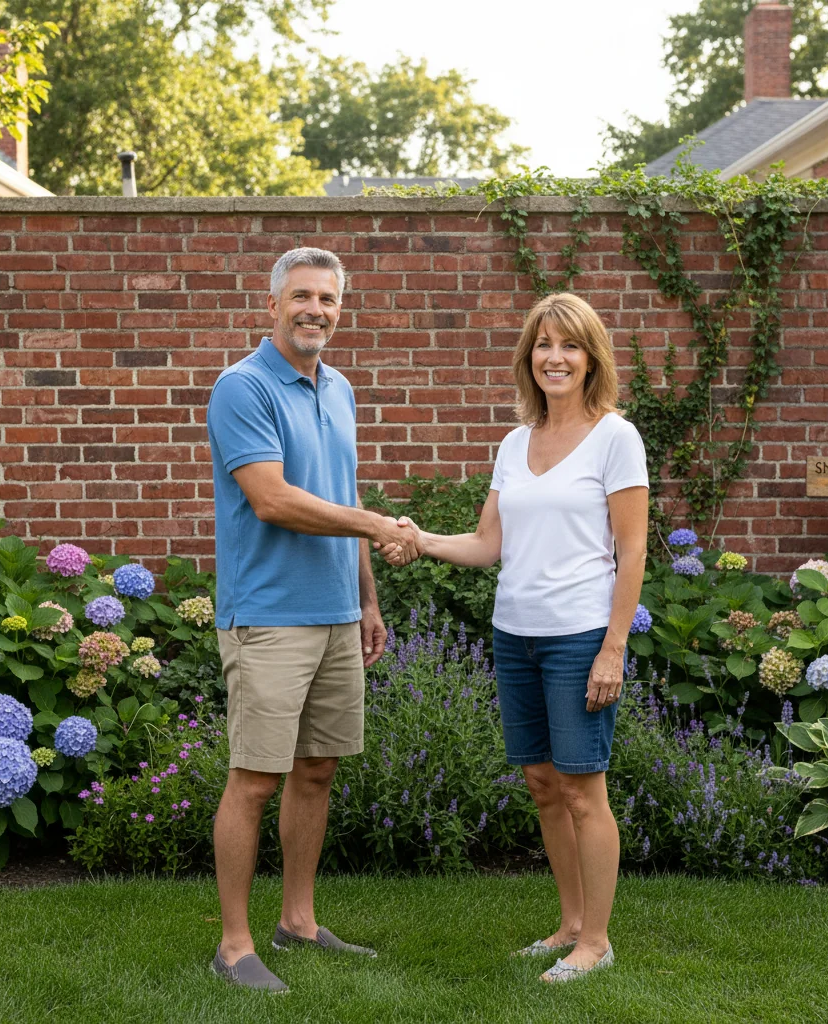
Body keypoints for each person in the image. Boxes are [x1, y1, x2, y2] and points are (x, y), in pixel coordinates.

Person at [380, 293, 648, 984]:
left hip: (579, 635)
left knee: (584, 789)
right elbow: (487, 544)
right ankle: (566, 924)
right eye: (543, 344)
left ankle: (596, 940)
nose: (555, 357)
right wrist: (418, 539)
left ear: (592, 359)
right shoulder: (513, 443)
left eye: (570, 345)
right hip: (515, 634)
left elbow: (633, 547)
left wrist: (613, 644)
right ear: (529, 356)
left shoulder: (616, 437)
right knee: (541, 781)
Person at [205, 246, 419, 993]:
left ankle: (297, 921)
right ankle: (234, 946)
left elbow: (338, 488)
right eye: (302, 296)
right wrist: (375, 523)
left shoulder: (340, 388)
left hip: (334, 612)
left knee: (318, 770)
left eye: (327, 299)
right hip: (267, 617)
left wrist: (365, 597)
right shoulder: (243, 388)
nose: (315, 310)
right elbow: (274, 499)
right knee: (255, 780)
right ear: (271, 305)